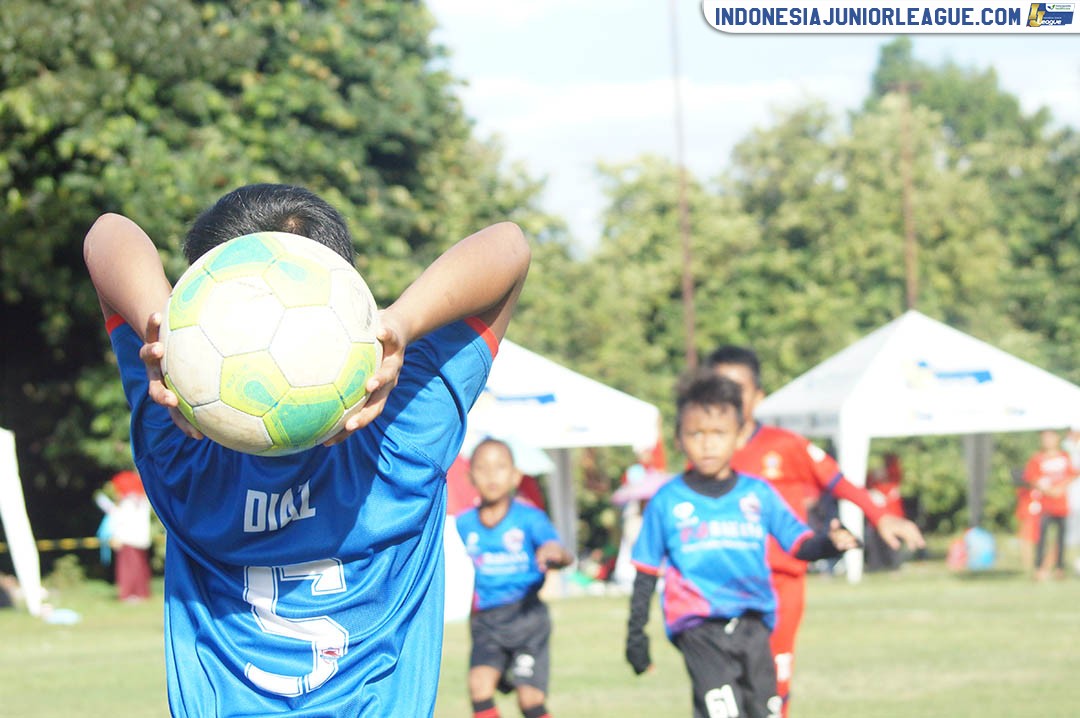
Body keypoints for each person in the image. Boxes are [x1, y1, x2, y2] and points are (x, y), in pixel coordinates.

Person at [83, 183, 530, 717]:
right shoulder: (401, 435)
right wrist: (399, 323)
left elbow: (107, 233)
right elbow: (509, 246)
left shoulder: (179, 449)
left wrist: (166, 334)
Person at [705, 345, 925, 716]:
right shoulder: (706, 452)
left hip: (780, 582)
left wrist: (879, 514)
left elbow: (836, 479)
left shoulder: (784, 445)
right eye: (718, 387)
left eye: (737, 387)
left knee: (772, 682)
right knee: (723, 686)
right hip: (724, 583)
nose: (727, 396)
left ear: (757, 396)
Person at [624, 372, 859, 718]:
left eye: (718, 434)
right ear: (678, 439)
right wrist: (636, 637)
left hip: (753, 623)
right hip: (697, 626)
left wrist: (831, 545)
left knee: (764, 712)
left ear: (738, 437)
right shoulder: (667, 500)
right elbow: (645, 571)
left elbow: (800, 543)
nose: (707, 444)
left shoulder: (758, 494)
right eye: (696, 434)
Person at [456, 438, 573, 718]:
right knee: (479, 687)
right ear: (470, 475)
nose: (491, 475)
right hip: (487, 622)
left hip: (527, 619)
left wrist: (554, 552)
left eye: (500, 467)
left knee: (529, 700)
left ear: (515, 475)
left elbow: (562, 553)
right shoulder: (463, 523)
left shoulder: (530, 518)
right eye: (482, 468)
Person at [1023, 429, 1077, 581]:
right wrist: (1048, 489)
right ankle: (1039, 568)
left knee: (1061, 539)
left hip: (1062, 505)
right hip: (1044, 506)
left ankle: (1059, 568)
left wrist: (1061, 488)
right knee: (1042, 538)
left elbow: (1072, 474)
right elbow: (1031, 478)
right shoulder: (1037, 458)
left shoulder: (1064, 456)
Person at [95, 470, 153, 601]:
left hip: (128, 539)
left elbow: (119, 518)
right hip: (141, 539)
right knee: (140, 567)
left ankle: (129, 594)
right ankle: (141, 593)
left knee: (128, 568)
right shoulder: (143, 500)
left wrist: (107, 506)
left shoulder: (128, 502)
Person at [864, 453, 907, 572]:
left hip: (894, 519)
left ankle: (894, 567)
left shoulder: (892, 482)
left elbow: (895, 469)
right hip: (876, 521)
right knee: (875, 545)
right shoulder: (874, 486)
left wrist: (889, 458)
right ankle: (876, 566)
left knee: (893, 545)